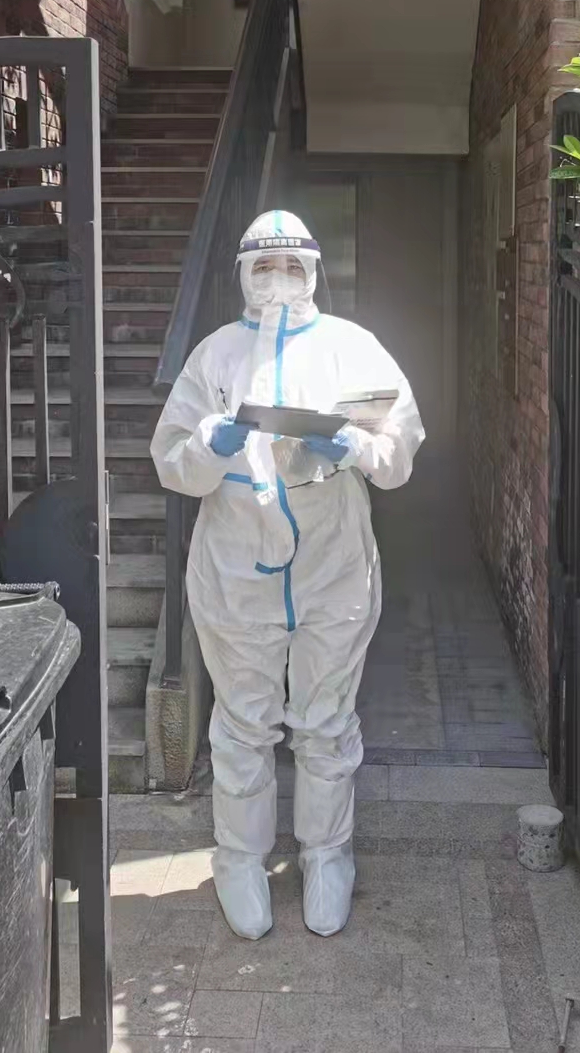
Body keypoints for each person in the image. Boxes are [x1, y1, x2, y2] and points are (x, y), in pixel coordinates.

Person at [150, 209, 424, 940]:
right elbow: (171, 461)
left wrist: (352, 446)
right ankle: (240, 858)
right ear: (244, 272)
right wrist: (210, 445)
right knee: (243, 721)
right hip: (237, 563)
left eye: (290, 266)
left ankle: (327, 855)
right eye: (263, 266)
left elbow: (400, 450)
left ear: (312, 271)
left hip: (333, 562)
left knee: (327, 721)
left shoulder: (352, 347)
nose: (277, 279)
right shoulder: (214, 355)